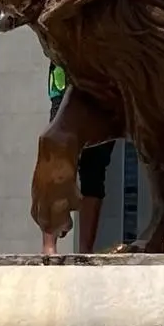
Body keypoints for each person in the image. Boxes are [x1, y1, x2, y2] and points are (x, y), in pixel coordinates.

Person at [41, 62, 116, 254]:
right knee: (56, 163)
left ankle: (85, 251)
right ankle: (49, 248)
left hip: (102, 89)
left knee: (95, 168)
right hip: (66, 85)